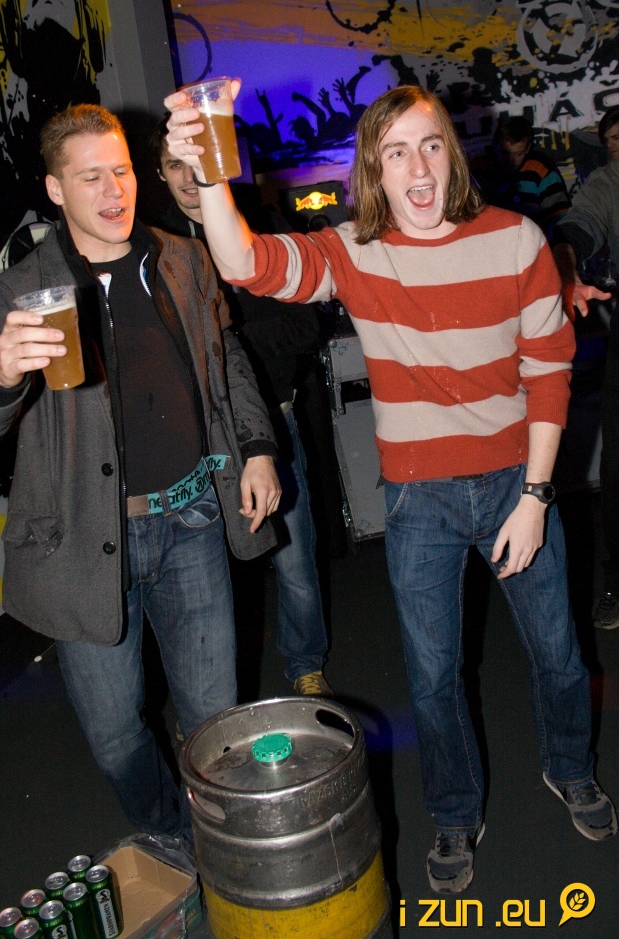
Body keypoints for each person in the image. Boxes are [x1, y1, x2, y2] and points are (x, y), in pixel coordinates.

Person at [164, 82, 617, 892]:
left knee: (557, 653)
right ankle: (453, 811)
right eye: (396, 152)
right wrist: (207, 170)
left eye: (430, 145)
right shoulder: (353, 250)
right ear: (373, 169)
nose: (418, 167)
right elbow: (244, 264)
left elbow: (548, 373)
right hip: (418, 499)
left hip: (517, 481)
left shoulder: (516, 239)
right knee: (433, 676)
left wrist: (536, 497)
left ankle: (570, 769)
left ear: (453, 155)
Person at [0, 104, 281, 842]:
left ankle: (227, 850)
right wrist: (2, 371)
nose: (113, 191)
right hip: (82, 543)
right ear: (55, 190)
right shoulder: (18, 292)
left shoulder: (181, 258)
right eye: (90, 177)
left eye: (122, 171)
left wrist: (257, 447)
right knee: (114, 735)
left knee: (214, 721)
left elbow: (226, 358)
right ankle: (169, 836)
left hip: (193, 518)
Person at [151, 119, 330, 696]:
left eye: (198, 164)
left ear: (223, 165)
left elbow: (307, 328)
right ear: (159, 173)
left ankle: (305, 665)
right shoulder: (150, 246)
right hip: (196, 439)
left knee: (294, 559)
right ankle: (214, 699)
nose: (188, 178)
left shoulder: (263, 227)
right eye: (175, 165)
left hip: (272, 421)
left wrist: (227, 349)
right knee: (201, 579)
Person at [553, 106, 619, 630]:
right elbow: (582, 222)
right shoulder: (610, 181)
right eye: (613, 139)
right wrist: (566, 260)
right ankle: (617, 584)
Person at [472, 115, 570, 237]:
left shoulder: (540, 168)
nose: (510, 161)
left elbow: (559, 215)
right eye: (504, 153)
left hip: (533, 240)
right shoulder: (478, 168)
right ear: (495, 146)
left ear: (527, 148)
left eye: (518, 154)